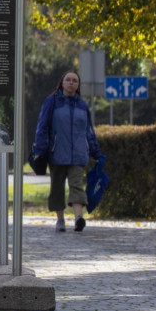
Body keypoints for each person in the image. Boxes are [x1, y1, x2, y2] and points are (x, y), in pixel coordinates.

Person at [33, 71, 101, 232]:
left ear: (78, 85)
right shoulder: (52, 102)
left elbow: (89, 131)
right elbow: (42, 126)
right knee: (57, 188)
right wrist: (41, 149)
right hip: (56, 153)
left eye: (75, 81)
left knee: (77, 185)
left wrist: (95, 151)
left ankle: (78, 218)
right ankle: (60, 220)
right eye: (68, 80)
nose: (71, 83)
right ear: (62, 82)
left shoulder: (82, 105)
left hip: (78, 154)